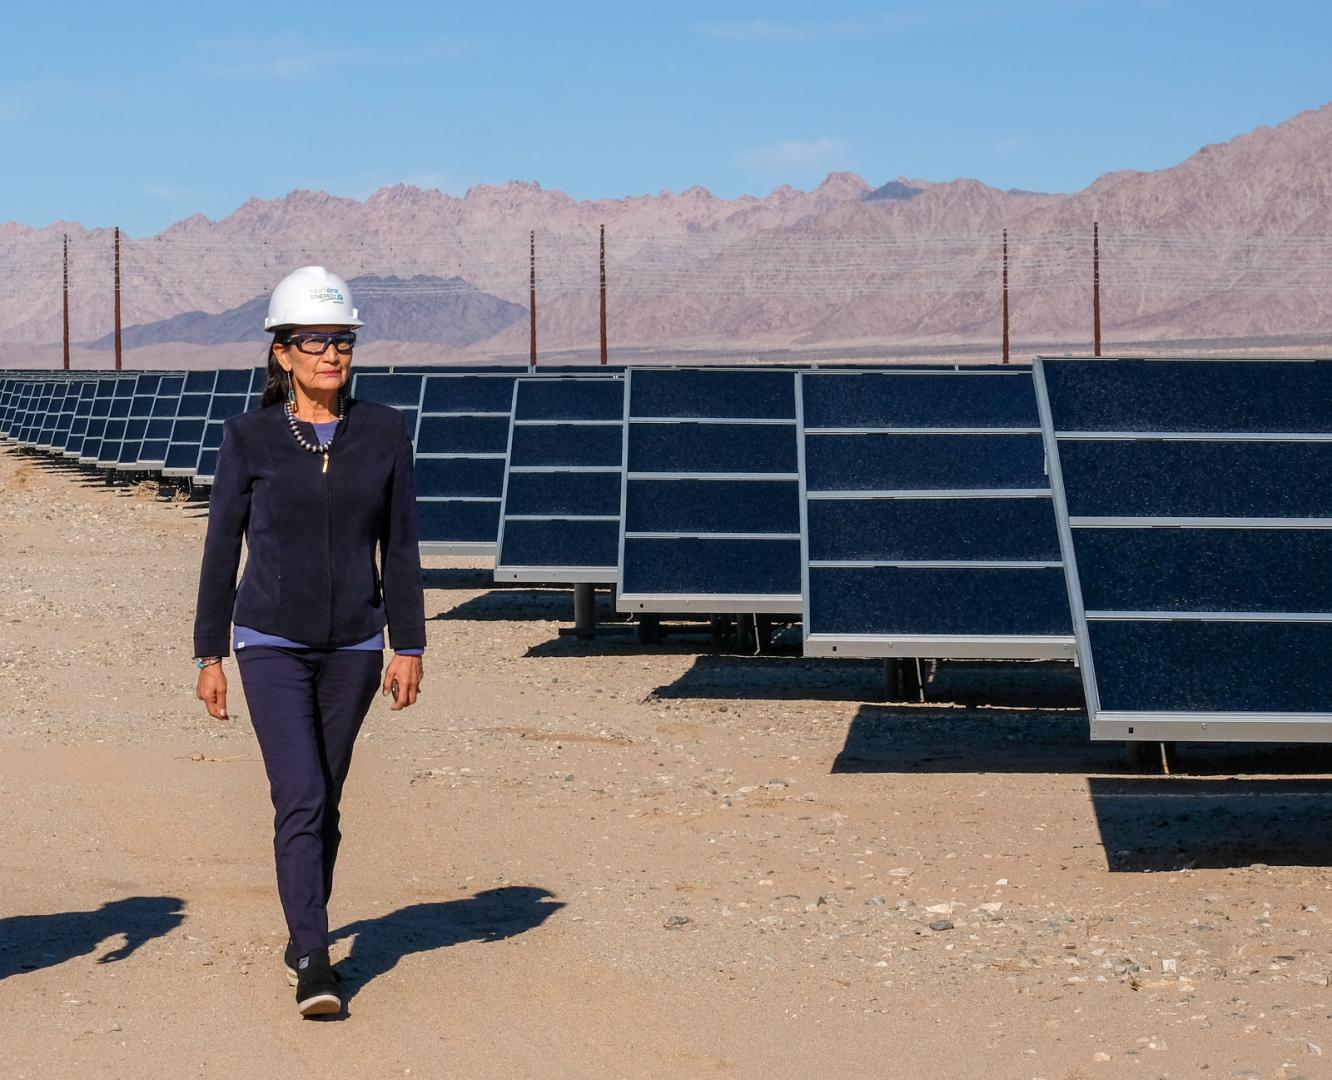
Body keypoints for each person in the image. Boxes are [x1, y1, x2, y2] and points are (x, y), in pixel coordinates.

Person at [192, 266, 426, 1018]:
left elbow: (404, 546)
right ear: (283, 354)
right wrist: (209, 654)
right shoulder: (249, 437)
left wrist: (408, 643)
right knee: (298, 793)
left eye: (343, 339)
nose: (332, 352)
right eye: (316, 340)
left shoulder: (384, 431)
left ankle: (303, 929)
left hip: (355, 644)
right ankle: (316, 961)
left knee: (325, 798)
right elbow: (221, 548)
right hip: (270, 641)